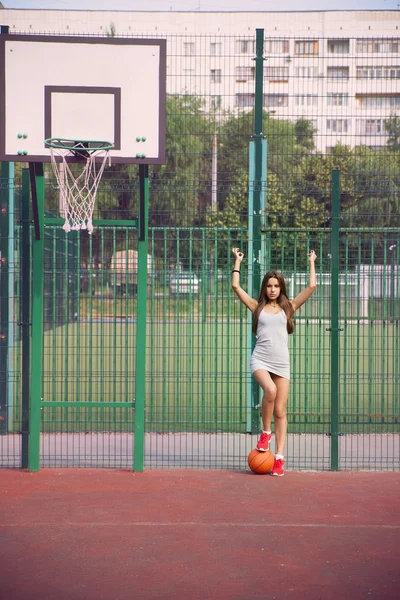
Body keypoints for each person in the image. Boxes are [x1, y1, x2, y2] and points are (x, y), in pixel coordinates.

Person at [231, 247, 317, 476]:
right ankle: (265, 433)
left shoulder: (288, 307)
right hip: (260, 360)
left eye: (276, 286)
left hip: (282, 364)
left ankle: (279, 458)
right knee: (268, 390)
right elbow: (236, 287)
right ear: (264, 288)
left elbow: (311, 287)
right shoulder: (256, 307)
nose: (272, 289)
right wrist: (237, 261)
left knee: (280, 410)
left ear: (281, 288)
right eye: (269, 285)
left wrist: (311, 262)